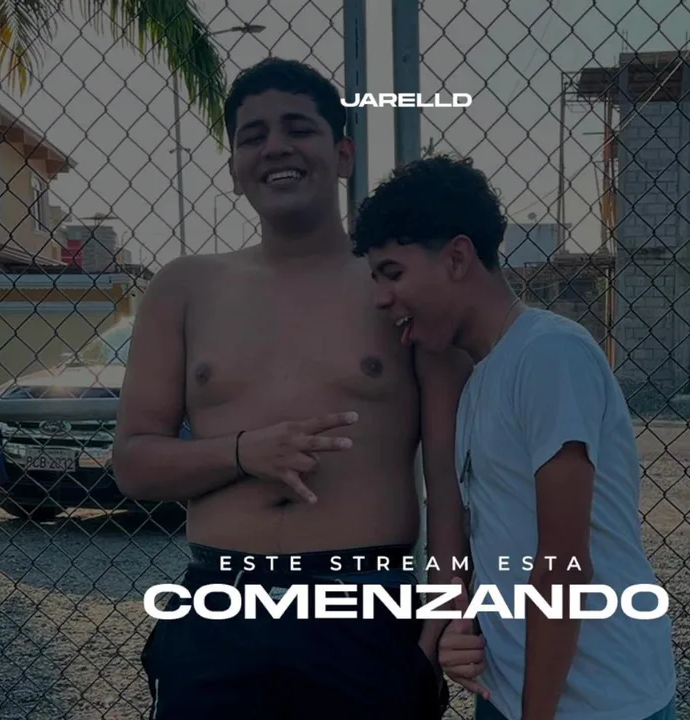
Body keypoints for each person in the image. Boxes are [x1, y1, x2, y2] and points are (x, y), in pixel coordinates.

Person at [113, 58, 471, 719]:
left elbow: (450, 478)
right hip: (219, 601)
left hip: (364, 605)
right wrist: (242, 452)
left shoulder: (397, 286)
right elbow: (134, 463)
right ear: (234, 169)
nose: (275, 147)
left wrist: (442, 621)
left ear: (343, 155)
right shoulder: (184, 288)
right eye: (253, 136)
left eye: (298, 129)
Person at [351, 155, 678, 720]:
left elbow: (563, 562)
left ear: (457, 258)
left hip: (602, 702)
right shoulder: (482, 379)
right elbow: (504, 543)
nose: (381, 298)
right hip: (514, 695)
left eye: (393, 273)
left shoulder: (550, 354)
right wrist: (464, 631)